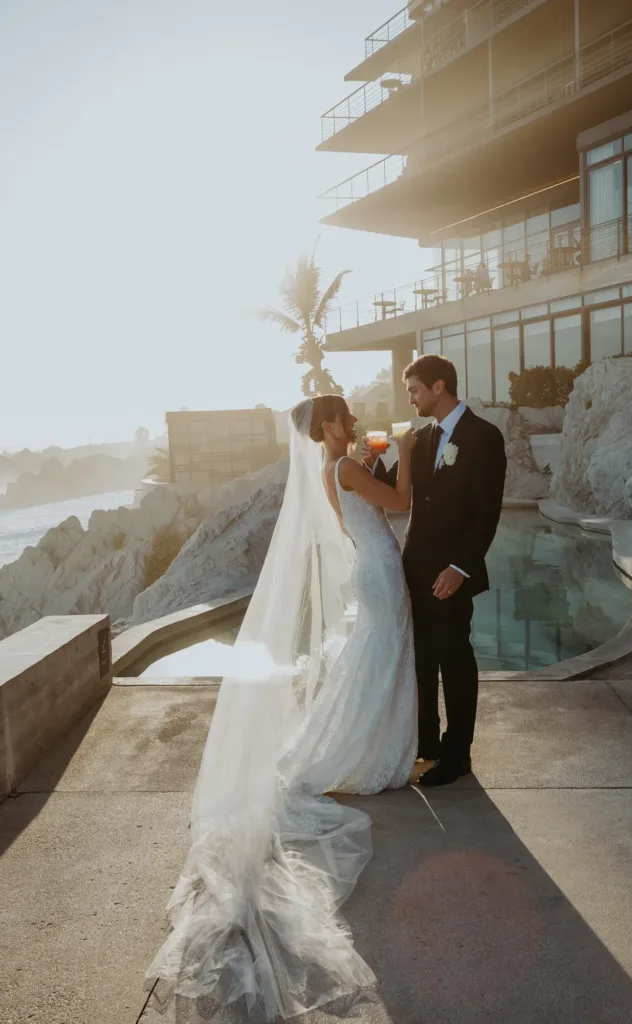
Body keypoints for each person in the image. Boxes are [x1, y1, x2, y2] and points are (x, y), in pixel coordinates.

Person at [145, 395, 418, 1022]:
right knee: (378, 660)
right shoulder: (345, 467)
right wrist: (402, 456)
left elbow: (358, 521)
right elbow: (399, 505)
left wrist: (372, 466)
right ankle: (361, 751)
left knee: (375, 661)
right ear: (326, 428)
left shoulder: (335, 470)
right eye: (345, 418)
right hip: (380, 565)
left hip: (374, 562)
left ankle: (369, 743)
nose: (353, 424)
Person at [366, 354, 506, 787]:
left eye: (414, 390)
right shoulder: (420, 439)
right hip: (414, 568)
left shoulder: (484, 437)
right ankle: (427, 743)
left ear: (438, 386)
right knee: (421, 660)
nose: (410, 399)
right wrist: (375, 457)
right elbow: (389, 488)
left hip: (451, 574)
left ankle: (457, 754)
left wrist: (460, 568)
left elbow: (486, 513)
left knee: (455, 659)